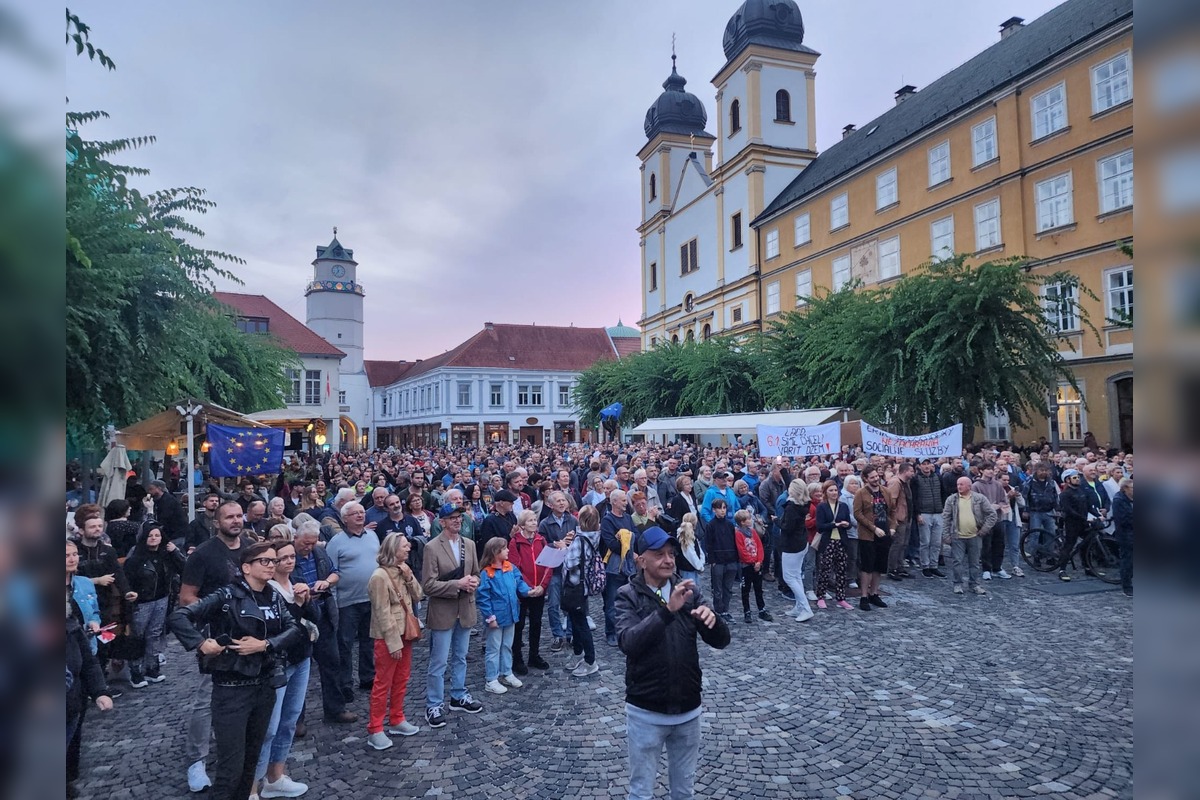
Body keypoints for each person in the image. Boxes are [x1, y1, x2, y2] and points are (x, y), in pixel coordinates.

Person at [168, 542, 305, 800]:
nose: (271, 566)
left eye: (273, 561)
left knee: (250, 764)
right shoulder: (227, 595)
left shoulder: (273, 596)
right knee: (231, 768)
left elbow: (294, 629)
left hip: (264, 686)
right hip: (232, 689)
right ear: (246, 567)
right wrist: (200, 643)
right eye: (264, 561)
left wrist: (265, 644)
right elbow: (179, 616)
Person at [615, 525, 730, 800]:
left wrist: (712, 621)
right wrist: (667, 611)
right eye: (659, 554)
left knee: (684, 791)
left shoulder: (688, 590)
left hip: (688, 710)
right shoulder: (627, 595)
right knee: (641, 791)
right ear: (640, 560)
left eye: (671, 554)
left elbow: (721, 641)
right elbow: (628, 642)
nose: (668, 560)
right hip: (646, 712)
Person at [178, 500, 256, 791]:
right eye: (229, 517)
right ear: (217, 521)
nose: (235, 521)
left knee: (247, 695)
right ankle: (196, 761)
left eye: (239, 516)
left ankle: (239, 750)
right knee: (206, 700)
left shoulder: (250, 547)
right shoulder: (203, 554)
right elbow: (187, 597)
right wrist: (212, 618)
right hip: (217, 635)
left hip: (251, 634)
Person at [253, 537, 316, 798]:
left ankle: (276, 775)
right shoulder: (266, 590)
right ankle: (253, 785)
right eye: (283, 558)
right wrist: (298, 606)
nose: (289, 561)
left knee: (289, 721)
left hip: (301, 657)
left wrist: (307, 601)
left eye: (292, 557)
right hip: (278, 662)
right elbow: (283, 626)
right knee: (269, 726)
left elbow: (311, 621)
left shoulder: (295, 582)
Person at [422, 503, 484, 728]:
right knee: (438, 661)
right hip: (443, 610)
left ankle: (458, 695)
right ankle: (434, 703)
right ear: (442, 522)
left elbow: (476, 573)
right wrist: (456, 584)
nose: (458, 520)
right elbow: (428, 585)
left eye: (459, 517)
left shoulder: (469, 544)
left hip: (465, 608)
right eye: (452, 518)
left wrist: (474, 582)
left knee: (461, 656)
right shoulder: (431, 547)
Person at [365, 532, 425, 751]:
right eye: (404, 546)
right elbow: (381, 612)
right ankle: (375, 728)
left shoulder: (403, 571)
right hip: (389, 637)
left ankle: (397, 718)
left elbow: (418, 595)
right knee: (383, 682)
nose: (409, 548)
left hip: (405, 633)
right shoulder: (379, 577)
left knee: (402, 678)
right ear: (393, 550)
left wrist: (409, 577)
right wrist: (393, 643)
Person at [292, 521, 355, 726]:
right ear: (296, 538)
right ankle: (296, 720)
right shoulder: (287, 558)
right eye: (305, 543)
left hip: (323, 614)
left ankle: (335, 709)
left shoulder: (319, 553)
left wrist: (327, 582)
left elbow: (335, 573)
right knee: (298, 669)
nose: (308, 547)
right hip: (299, 617)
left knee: (331, 663)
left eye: (312, 543)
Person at [66, 539, 110, 793]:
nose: (72, 558)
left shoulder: (81, 584)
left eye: (74, 554)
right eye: (66, 554)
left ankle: (67, 774)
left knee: (75, 721)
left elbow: (93, 610)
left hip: (82, 653)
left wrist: (100, 691)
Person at [325, 501, 380, 698]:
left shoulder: (372, 535)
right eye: (355, 513)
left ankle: (368, 676)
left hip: (371, 597)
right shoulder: (336, 542)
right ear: (345, 518)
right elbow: (330, 571)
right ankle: (345, 683)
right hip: (347, 601)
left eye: (362, 512)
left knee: (369, 640)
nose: (360, 515)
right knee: (345, 643)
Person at [476, 536, 544, 695]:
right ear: (495, 552)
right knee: (493, 648)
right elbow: (483, 597)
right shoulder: (487, 573)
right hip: (497, 617)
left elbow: (520, 583)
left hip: (511, 614)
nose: (508, 551)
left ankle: (506, 672)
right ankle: (491, 678)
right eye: (505, 548)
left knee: (507, 645)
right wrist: (490, 617)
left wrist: (528, 591)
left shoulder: (510, 567)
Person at [122, 521, 186, 687]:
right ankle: (135, 671)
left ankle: (152, 667)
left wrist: (175, 552)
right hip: (141, 602)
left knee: (154, 634)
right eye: (150, 535)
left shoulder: (165, 555)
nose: (154, 538)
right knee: (138, 636)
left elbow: (184, 568)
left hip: (162, 599)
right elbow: (127, 580)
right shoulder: (135, 558)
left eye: (157, 535)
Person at [508, 509, 552, 675]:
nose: (534, 523)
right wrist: (528, 588)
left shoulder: (542, 541)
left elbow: (549, 564)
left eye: (535, 520)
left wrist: (542, 586)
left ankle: (534, 655)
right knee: (519, 625)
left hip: (539, 589)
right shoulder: (515, 542)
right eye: (530, 520)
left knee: (536, 623)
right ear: (522, 524)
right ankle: (517, 658)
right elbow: (515, 568)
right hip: (523, 591)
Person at [560, 506, 601, 677]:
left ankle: (591, 661)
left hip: (576, 586)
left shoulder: (580, 540)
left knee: (580, 623)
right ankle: (579, 653)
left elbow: (569, 563)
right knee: (576, 620)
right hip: (584, 585)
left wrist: (564, 548)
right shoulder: (595, 536)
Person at [942, 476, 998, 595]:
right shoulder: (951, 500)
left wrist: (984, 530)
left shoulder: (979, 499)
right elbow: (946, 518)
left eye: (962, 484)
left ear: (969, 486)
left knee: (975, 562)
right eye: (958, 484)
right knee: (957, 561)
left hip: (975, 535)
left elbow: (992, 515)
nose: (959, 487)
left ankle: (974, 584)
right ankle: (957, 584)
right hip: (958, 536)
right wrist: (946, 535)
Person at [537, 491, 577, 652]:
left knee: (571, 604)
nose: (562, 503)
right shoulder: (545, 524)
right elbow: (541, 545)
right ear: (550, 505)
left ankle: (571, 634)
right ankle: (557, 635)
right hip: (553, 569)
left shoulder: (572, 520)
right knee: (554, 604)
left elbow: (579, 541)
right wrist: (557, 544)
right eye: (558, 501)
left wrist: (570, 541)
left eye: (563, 500)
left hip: (569, 567)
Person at [600, 489, 638, 647]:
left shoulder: (628, 517)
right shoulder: (608, 521)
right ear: (614, 502)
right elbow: (612, 544)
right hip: (613, 568)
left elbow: (636, 535)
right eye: (623, 500)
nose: (626, 503)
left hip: (628, 567)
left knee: (629, 600)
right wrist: (626, 539)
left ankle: (625, 628)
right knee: (611, 602)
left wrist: (624, 537)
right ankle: (611, 632)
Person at [852, 467, 893, 612]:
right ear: (865, 479)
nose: (876, 479)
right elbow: (857, 514)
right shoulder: (860, 493)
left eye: (877, 476)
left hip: (885, 534)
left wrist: (892, 526)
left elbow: (892, 510)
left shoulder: (885, 491)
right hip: (868, 536)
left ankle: (874, 593)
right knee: (867, 566)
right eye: (872, 477)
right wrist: (873, 528)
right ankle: (864, 596)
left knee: (879, 566)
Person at [778, 479, 815, 622]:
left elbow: (787, 527)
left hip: (791, 545)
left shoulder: (792, 507)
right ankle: (800, 606)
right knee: (796, 576)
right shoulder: (805, 503)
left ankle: (806, 608)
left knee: (789, 577)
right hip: (801, 542)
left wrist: (776, 521)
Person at [813, 481, 854, 610]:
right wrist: (834, 525)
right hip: (827, 541)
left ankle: (841, 598)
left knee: (841, 571)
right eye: (831, 490)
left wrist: (847, 525)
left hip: (841, 541)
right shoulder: (822, 507)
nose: (834, 493)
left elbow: (848, 522)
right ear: (826, 492)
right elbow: (820, 527)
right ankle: (821, 596)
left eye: (835, 490)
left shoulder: (843, 506)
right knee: (825, 570)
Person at [702, 497, 739, 625]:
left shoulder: (729, 524)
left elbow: (734, 542)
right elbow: (708, 544)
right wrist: (712, 560)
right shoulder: (711, 525)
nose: (722, 511)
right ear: (714, 510)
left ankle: (725, 610)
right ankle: (718, 610)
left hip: (730, 559)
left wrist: (735, 558)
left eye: (724, 508)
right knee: (717, 588)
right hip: (718, 560)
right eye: (720, 508)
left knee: (728, 588)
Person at [733, 509, 771, 624]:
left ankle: (761, 609)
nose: (750, 520)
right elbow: (742, 551)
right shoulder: (738, 534)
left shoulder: (753, 532)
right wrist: (752, 562)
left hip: (757, 564)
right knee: (746, 589)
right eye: (748, 519)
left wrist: (759, 561)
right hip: (746, 566)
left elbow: (759, 546)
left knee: (758, 588)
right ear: (742, 522)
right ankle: (747, 611)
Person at [1056, 469, 1093, 582]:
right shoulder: (1065, 494)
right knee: (1069, 546)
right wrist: (1083, 517)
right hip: (1072, 523)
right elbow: (1069, 510)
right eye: (1075, 478)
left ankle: (1087, 567)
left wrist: (1098, 514)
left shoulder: (1081, 491)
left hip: (1083, 522)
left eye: (1078, 477)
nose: (1078, 479)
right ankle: (1062, 570)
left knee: (1087, 543)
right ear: (1068, 480)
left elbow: (1088, 506)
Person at [912, 459, 946, 578]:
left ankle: (934, 565)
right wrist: (917, 514)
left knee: (936, 542)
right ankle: (925, 566)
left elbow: (943, 494)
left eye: (928, 464)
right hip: (924, 513)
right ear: (920, 466)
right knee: (925, 542)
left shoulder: (938, 477)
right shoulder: (915, 479)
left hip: (938, 512)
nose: (926, 467)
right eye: (924, 464)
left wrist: (943, 510)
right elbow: (914, 498)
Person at [884, 462, 915, 581]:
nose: (913, 473)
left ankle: (899, 567)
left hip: (906, 517)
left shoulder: (905, 483)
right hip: (899, 518)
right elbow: (891, 502)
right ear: (905, 471)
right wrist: (893, 519)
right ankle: (892, 569)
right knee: (897, 544)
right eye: (911, 471)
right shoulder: (895, 482)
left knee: (903, 544)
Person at [148, 479, 188, 545]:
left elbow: (164, 518)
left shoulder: (168, 501)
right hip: (172, 534)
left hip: (176, 535)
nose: (149, 492)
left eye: (151, 489)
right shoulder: (160, 500)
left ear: (159, 489)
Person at [1111, 476, 1133, 597]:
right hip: (1126, 535)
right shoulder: (1119, 500)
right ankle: (1127, 585)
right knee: (1128, 560)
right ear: (1125, 488)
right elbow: (1123, 519)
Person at [674, 512, 705, 589]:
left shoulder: (691, 536)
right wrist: (699, 566)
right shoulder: (684, 537)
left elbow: (699, 551)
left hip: (691, 569)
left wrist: (701, 563)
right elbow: (691, 555)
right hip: (687, 570)